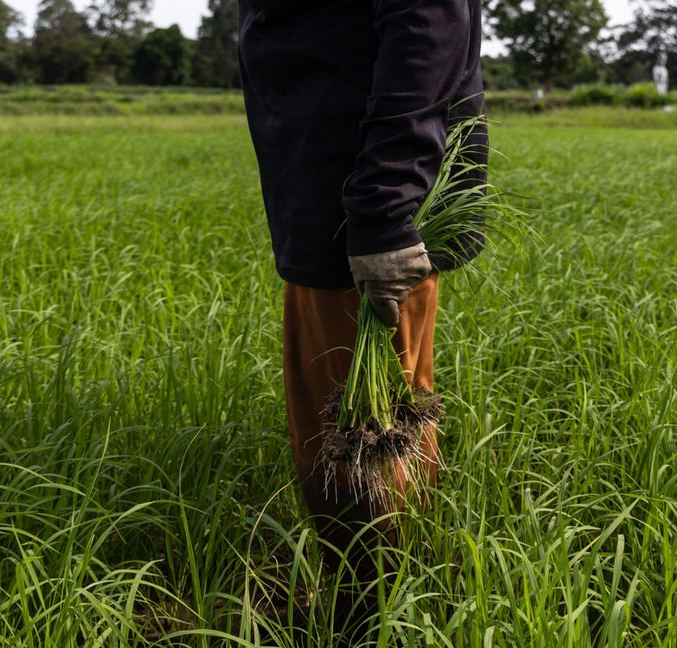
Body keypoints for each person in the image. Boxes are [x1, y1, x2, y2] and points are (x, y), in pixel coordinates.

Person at [237, 0, 486, 636]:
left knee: (352, 439)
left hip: (353, 204)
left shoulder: (370, 207)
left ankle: (364, 622)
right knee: (398, 416)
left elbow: (426, 27)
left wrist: (382, 210)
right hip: (352, 195)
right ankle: (408, 605)